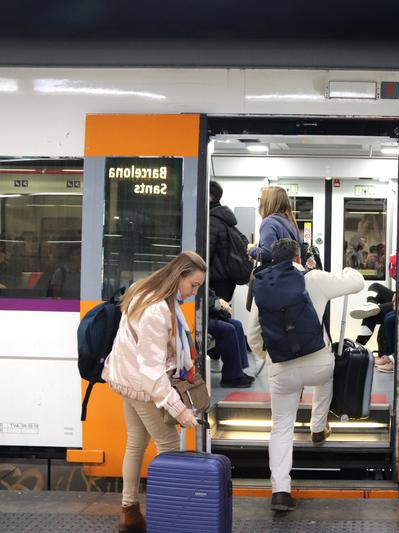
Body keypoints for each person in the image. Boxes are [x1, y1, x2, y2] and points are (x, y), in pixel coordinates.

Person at [247, 239, 364, 512]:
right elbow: (356, 281)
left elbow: (253, 334)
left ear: (272, 259)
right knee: (328, 373)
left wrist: (269, 358)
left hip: (282, 370)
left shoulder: (263, 283)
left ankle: (280, 491)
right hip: (318, 365)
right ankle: (318, 428)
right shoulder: (314, 277)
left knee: (281, 427)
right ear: (300, 256)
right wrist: (348, 267)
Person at [101, 251, 205, 533]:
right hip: (142, 387)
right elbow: (152, 372)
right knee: (170, 447)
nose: (194, 292)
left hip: (128, 380)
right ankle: (171, 518)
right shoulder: (157, 310)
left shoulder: (143, 291)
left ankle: (130, 512)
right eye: (193, 285)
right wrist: (180, 410)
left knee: (136, 444)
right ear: (178, 276)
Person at [208, 289, 254, 388]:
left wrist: (219, 300)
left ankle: (238, 371)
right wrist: (217, 303)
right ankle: (230, 377)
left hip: (208, 313)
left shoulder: (199, 281)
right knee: (228, 329)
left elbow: (210, 295)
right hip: (198, 317)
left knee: (237, 324)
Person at [209, 180, 245, 301]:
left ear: (210, 197)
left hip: (215, 283)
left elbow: (204, 254)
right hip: (226, 281)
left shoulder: (212, 221)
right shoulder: (224, 219)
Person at [247, 186, 300, 265]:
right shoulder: (290, 222)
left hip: (277, 275)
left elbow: (268, 253)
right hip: (291, 273)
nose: (259, 203)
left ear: (268, 202)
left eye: (261, 200)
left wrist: (251, 249)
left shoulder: (269, 222)